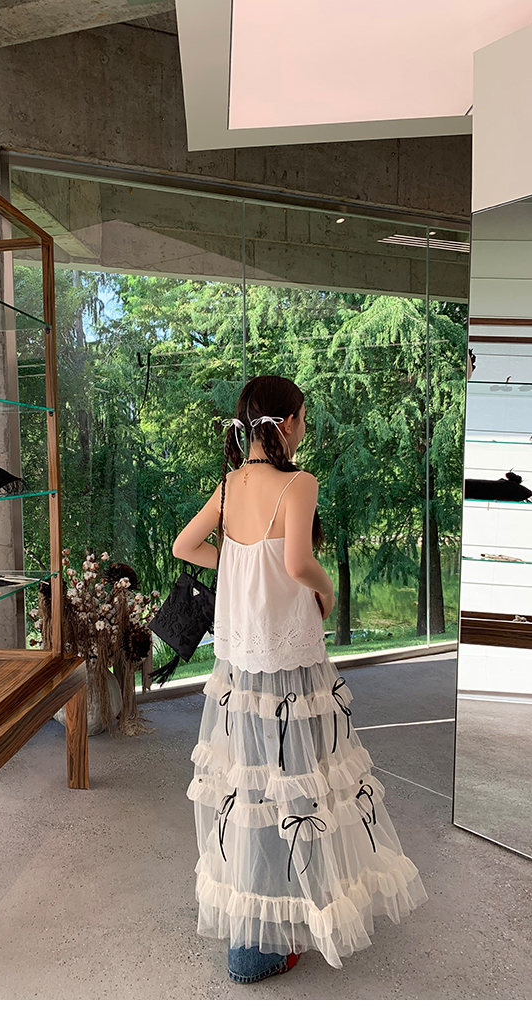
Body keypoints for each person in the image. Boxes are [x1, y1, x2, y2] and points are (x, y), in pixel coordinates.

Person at [172, 375, 427, 984]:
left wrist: (239, 565)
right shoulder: (298, 484)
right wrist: (327, 591)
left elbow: (185, 546)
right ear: (286, 423)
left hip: (240, 664)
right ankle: (288, 924)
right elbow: (296, 562)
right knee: (304, 785)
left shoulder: (229, 486)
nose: (304, 428)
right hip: (291, 656)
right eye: (304, 417)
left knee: (250, 785)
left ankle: (252, 935)